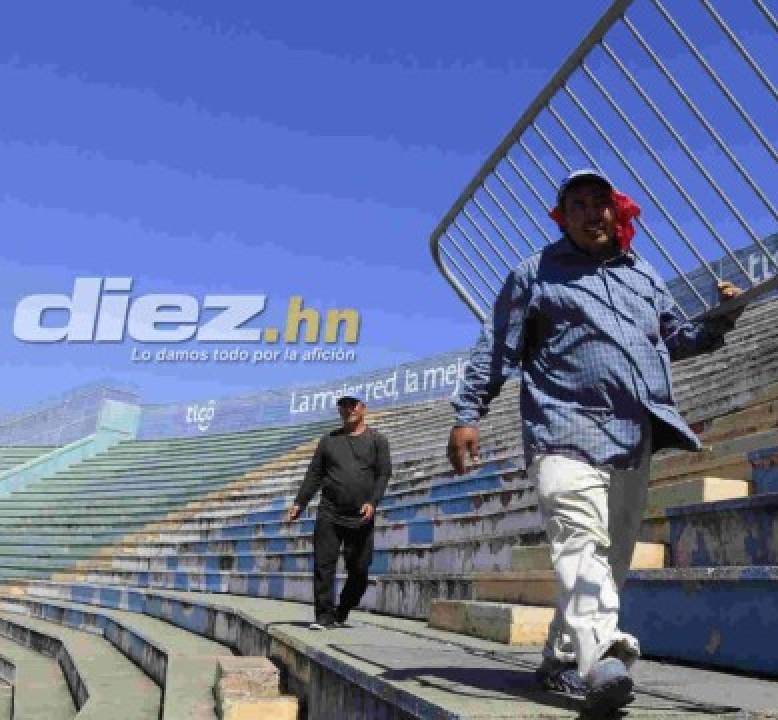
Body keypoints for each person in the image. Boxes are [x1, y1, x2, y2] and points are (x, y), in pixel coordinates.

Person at [445, 169, 743, 713]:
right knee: (579, 541)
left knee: (612, 559)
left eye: (600, 202)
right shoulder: (535, 274)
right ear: (563, 217)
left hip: (632, 436)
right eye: (577, 204)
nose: (591, 212)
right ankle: (603, 655)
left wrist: (720, 321)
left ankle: (561, 660)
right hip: (563, 428)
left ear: (617, 211)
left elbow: (675, 338)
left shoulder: (643, 276)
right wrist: (468, 414)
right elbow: (496, 349)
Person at [285, 395, 392, 631]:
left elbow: (383, 475)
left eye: (353, 405)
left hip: (360, 515)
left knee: (360, 569)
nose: (348, 409)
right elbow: (314, 475)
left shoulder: (378, 441)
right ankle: (323, 616)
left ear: (363, 408)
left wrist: (373, 502)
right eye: (343, 406)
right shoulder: (328, 441)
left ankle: (343, 608)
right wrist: (299, 503)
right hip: (329, 512)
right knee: (324, 565)